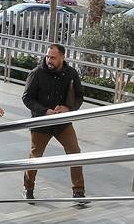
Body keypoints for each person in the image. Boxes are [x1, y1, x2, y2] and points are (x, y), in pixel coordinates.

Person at [21, 44, 88, 206]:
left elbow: (79, 96)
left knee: (75, 153)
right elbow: (27, 98)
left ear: (62, 57)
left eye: (53, 57)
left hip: (62, 123)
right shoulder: (36, 73)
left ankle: (79, 192)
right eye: (48, 57)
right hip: (41, 122)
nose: (49, 60)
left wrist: (68, 108)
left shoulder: (71, 73)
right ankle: (28, 189)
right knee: (35, 156)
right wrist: (45, 111)